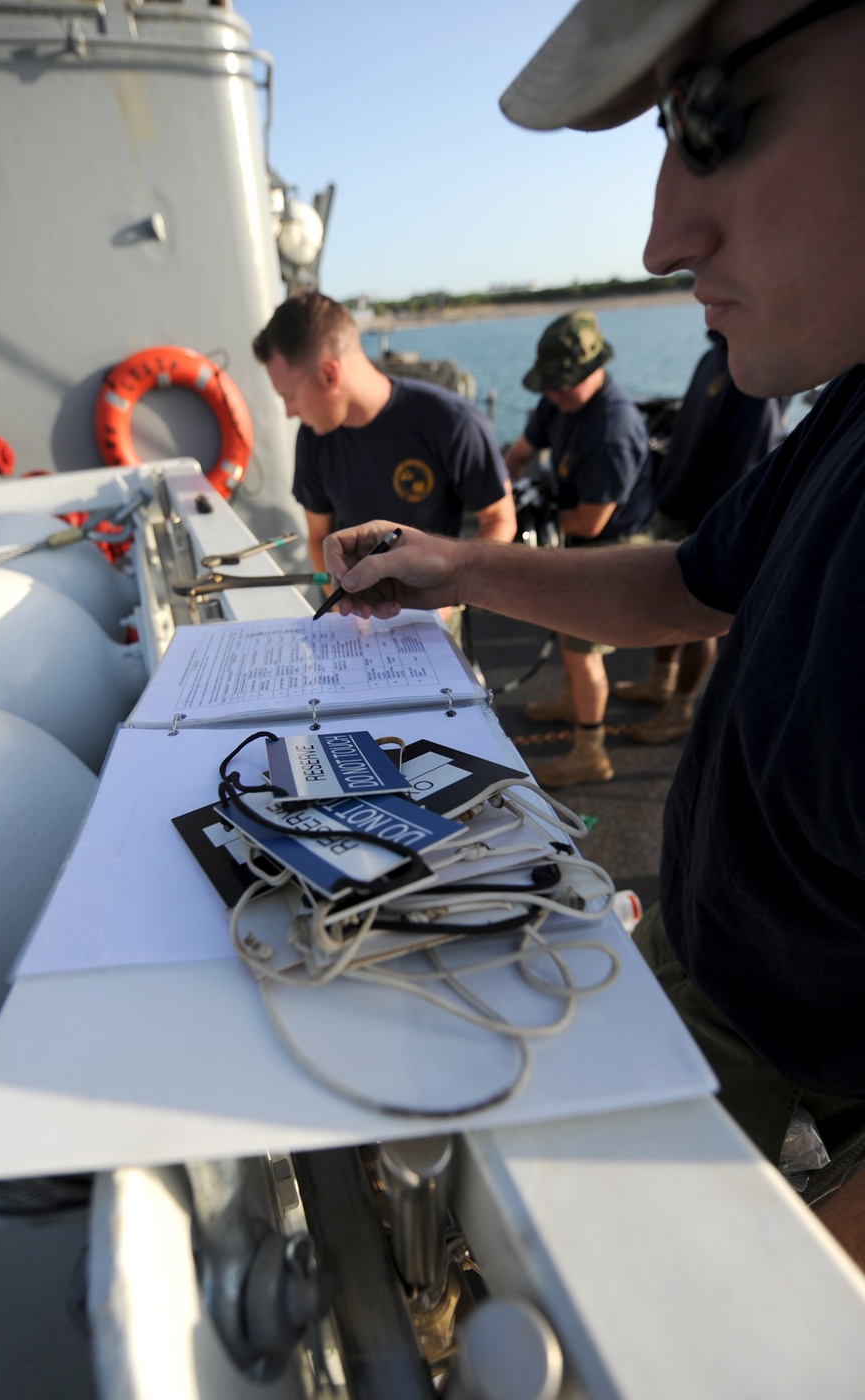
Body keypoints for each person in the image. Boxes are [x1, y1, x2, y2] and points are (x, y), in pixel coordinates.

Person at [322, 0, 865, 1267]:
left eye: (711, 117)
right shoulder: (846, 412)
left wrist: (775, 1304)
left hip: (801, 1031)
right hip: (713, 937)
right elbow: (685, 579)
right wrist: (453, 563)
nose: (662, 232)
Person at [251, 292, 516, 587]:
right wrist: (341, 608)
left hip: (436, 612)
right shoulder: (314, 437)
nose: (289, 412)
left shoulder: (451, 422)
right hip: (357, 615)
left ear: (329, 375)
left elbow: (499, 519)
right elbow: (318, 536)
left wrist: (447, 600)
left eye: (290, 397)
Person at [503, 309, 653, 787]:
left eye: (562, 384)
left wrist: (530, 527)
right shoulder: (558, 400)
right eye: (548, 384)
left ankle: (591, 751)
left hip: (613, 545)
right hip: (572, 535)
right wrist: (504, 494)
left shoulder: (614, 429)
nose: (552, 393)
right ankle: (572, 701)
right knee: (566, 633)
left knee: (582, 646)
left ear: (593, 372)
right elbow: (520, 454)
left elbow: (592, 521)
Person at [616, 330, 788, 742]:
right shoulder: (715, 355)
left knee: (699, 614)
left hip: (715, 515)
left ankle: (680, 709)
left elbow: (749, 461)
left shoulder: (758, 369)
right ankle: (661, 682)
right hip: (678, 503)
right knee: (666, 599)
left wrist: (720, 526)